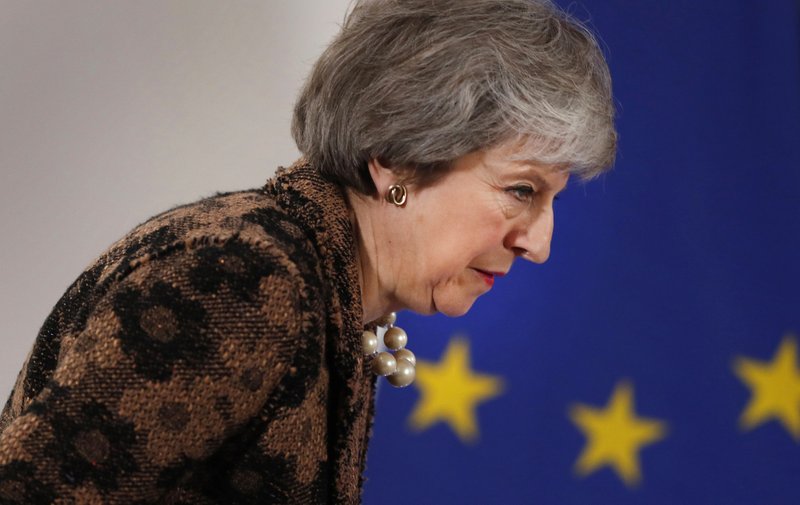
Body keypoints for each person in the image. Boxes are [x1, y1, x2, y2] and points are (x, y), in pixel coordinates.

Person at [0, 0, 616, 502]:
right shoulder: (246, 278)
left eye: (550, 199)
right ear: (397, 158)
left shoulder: (329, 285)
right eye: (520, 190)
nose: (537, 243)